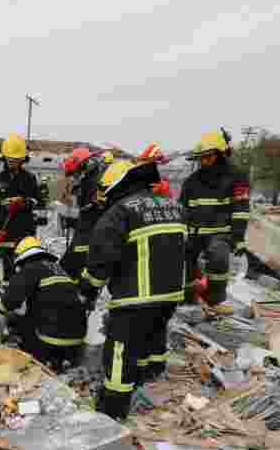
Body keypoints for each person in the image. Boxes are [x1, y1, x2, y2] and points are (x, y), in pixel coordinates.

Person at [80, 145, 186, 420]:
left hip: (135, 296)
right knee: (151, 336)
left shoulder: (120, 212)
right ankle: (148, 382)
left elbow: (100, 261)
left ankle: (112, 409)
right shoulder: (172, 205)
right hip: (171, 293)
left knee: (120, 348)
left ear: (116, 187)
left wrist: (88, 291)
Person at [179, 129, 250, 315]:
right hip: (195, 233)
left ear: (220, 154)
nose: (204, 161)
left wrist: (238, 237)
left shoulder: (237, 177)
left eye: (208, 157)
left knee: (218, 256)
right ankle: (188, 298)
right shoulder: (191, 182)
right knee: (182, 258)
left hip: (221, 233)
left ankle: (215, 300)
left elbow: (241, 210)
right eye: (201, 158)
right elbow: (182, 210)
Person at [0, 236, 86, 372]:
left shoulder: (30, 269)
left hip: (51, 339)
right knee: (28, 317)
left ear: (22, 258)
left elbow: (10, 302)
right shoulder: (58, 269)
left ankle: (39, 358)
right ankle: (60, 361)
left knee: (18, 325)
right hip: (77, 338)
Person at [0, 134, 45, 282]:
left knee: (26, 264)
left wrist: (24, 202)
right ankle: (8, 291)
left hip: (25, 229)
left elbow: (38, 201)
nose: (13, 163)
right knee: (8, 266)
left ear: (22, 160)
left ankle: (25, 291)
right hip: (6, 230)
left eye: (17, 160)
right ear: (4, 158)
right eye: (10, 160)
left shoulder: (29, 178)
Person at [59, 147, 107, 280]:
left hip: (90, 234)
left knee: (72, 268)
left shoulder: (97, 181)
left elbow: (91, 209)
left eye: (75, 173)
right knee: (67, 267)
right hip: (83, 230)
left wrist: (73, 217)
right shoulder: (88, 180)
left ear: (83, 166)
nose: (74, 176)